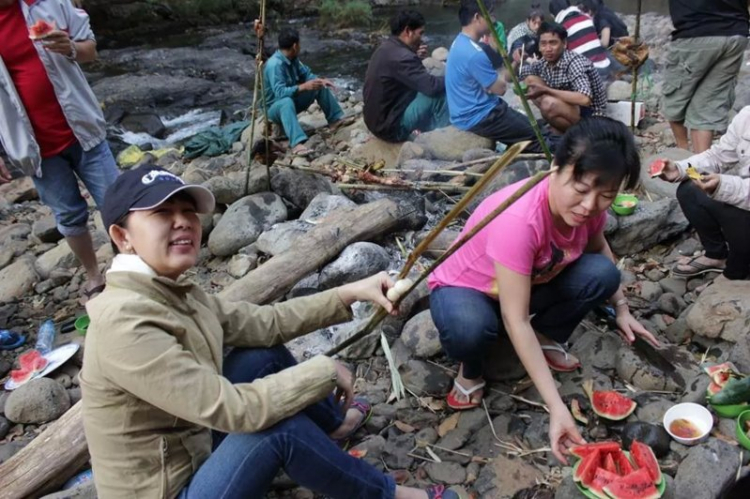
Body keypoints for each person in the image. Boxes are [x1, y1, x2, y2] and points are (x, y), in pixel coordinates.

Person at [80, 165, 458, 499]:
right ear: (122, 236)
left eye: (187, 211)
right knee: (277, 429)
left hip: (192, 445)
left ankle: (334, 427)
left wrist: (350, 292)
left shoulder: (171, 291)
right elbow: (233, 410)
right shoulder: (124, 321)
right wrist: (322, 372)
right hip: (169, 488)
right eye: (162, 213)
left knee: (262, 354)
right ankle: (390, 495)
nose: (183, 222)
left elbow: (267, 323)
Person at [428, 117, 658, 464]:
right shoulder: (519, 221)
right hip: (468, 289)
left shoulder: (590, 209)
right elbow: (514, 318)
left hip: (528, 282)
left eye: (606, 194)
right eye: (580, 189)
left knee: (602, 275)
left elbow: (600, 252)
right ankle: (471, 368)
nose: (589, 205)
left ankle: (546, 334)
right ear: (555, 168)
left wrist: (622, 309)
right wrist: (557, 407)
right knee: (470, 330)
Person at [0, 0, 119, 302]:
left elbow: (90, 50)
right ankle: (93, 273)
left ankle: (129, 268)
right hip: (34, 148)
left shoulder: (49, 3)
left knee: (118, 203)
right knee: (68, 215)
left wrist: (69, 47)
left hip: (83, 128)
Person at [654, 106, 750, 281]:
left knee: (738, 215)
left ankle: (735, 275)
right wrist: (680, 169)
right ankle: (716, 256)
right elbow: (717, 157)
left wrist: (722, 186)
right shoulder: (747, 116)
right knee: (690, 190)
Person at [446, 0, 545, 153]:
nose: (494, 20)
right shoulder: (474, 54)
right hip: (481, 116)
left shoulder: (459, 42)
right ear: (477, 17)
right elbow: (501, 88)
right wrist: (511, 64)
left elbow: (494, 83)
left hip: (469, 111)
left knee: (537, 125)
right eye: (491, 15)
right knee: (538, 136)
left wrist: (515, 62)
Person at [663, 0, 749, 154]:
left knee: (675, 98)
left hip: (697, 32)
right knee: (708, 105)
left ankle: (682, 154)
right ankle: (701, 164)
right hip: (736, 34)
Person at [363, 10, 449, 142]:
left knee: (432, 80)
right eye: (420, 33)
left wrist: (413, 54)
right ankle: (445, 137)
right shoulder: (403, 57)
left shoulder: (386, 48)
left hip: (377, 121)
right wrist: (457, 77)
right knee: (438, 95)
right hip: (390, 128)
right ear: (408, 31)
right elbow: (431, 87)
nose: (422, 38)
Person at [263, 28, 344, 156]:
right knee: (286, 101)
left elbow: (306, 74)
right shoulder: (275, 65)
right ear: (295, 46)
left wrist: (319, 81)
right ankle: (296, 144)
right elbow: (280, 93)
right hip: (276, 108)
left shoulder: (293, 58)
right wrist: (304, 87)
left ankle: (334, 120)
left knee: (318, 86)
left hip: (291, 100)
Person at [518, 22, 607, 133]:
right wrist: (521, 60)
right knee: (530, 81)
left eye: (553, 43)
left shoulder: (574, 62)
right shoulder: (544, 63)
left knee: (547, 103)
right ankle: (558, 126)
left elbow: (584, 99)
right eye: (543, 44)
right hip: (570, 109)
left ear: (564, 44)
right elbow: (524, 74)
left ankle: (580, 133)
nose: (548, 49)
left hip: (591, 117)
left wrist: (546, 90)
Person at [550, 0, 611, 81]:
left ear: (553, 15)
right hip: (605, 69)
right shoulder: (586, 18)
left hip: (589, 73)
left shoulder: (562, 28)